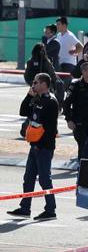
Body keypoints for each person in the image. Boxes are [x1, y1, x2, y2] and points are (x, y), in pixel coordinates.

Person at [8, 74, 60, 221]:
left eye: (36, 82)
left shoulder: (50, 102)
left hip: (43, 147)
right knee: (28, 178)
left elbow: (50, 129)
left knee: (44, 179)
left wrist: (40, 145)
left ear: (44, 84)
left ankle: (50, 210)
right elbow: (23, 112)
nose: (33, 85)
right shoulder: (37, 99)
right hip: (35, 146)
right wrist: (28, 95)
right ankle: (25, 208)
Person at [62, 60, 88, 169]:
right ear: (84, 72)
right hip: (79, 121)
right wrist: (68, 119)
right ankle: (82, 168)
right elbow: (66, 104)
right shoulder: (75, 85)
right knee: (83, 144)